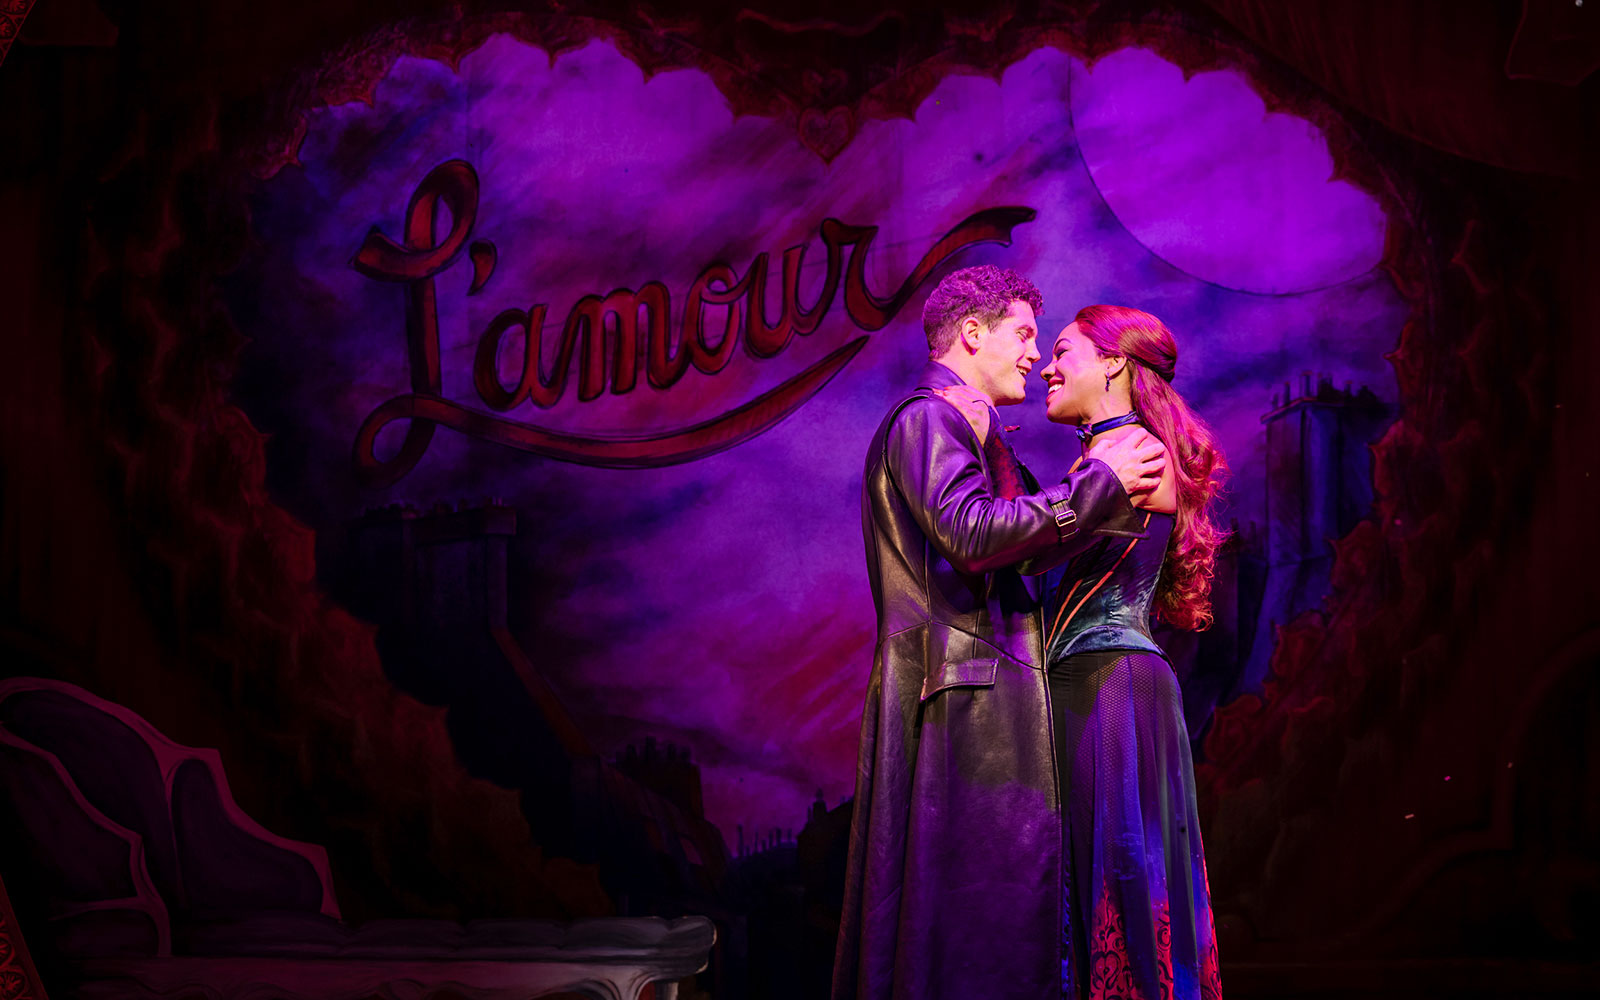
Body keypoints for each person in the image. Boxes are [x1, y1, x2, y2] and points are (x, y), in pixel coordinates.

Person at [832, 267, 1167, 1000]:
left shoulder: (964, 426)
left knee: (975, 934)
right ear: (972, 332)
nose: (1033, 354)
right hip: (962, 702)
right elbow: (974, 534)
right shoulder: (929, 418)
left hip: (968, 693)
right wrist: (1099, 482)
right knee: (972, 935)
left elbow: (1007, 546)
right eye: (1022, 334)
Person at [1036, 304, 1227, 999]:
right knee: (1108, 869)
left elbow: (1026, 549)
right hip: (1104, 679)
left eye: (1064, 352)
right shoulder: (1107, 458)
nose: (1047, 370)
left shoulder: (1135, 456)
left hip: (1108, 678)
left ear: (1114, 360)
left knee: (1122, 870)